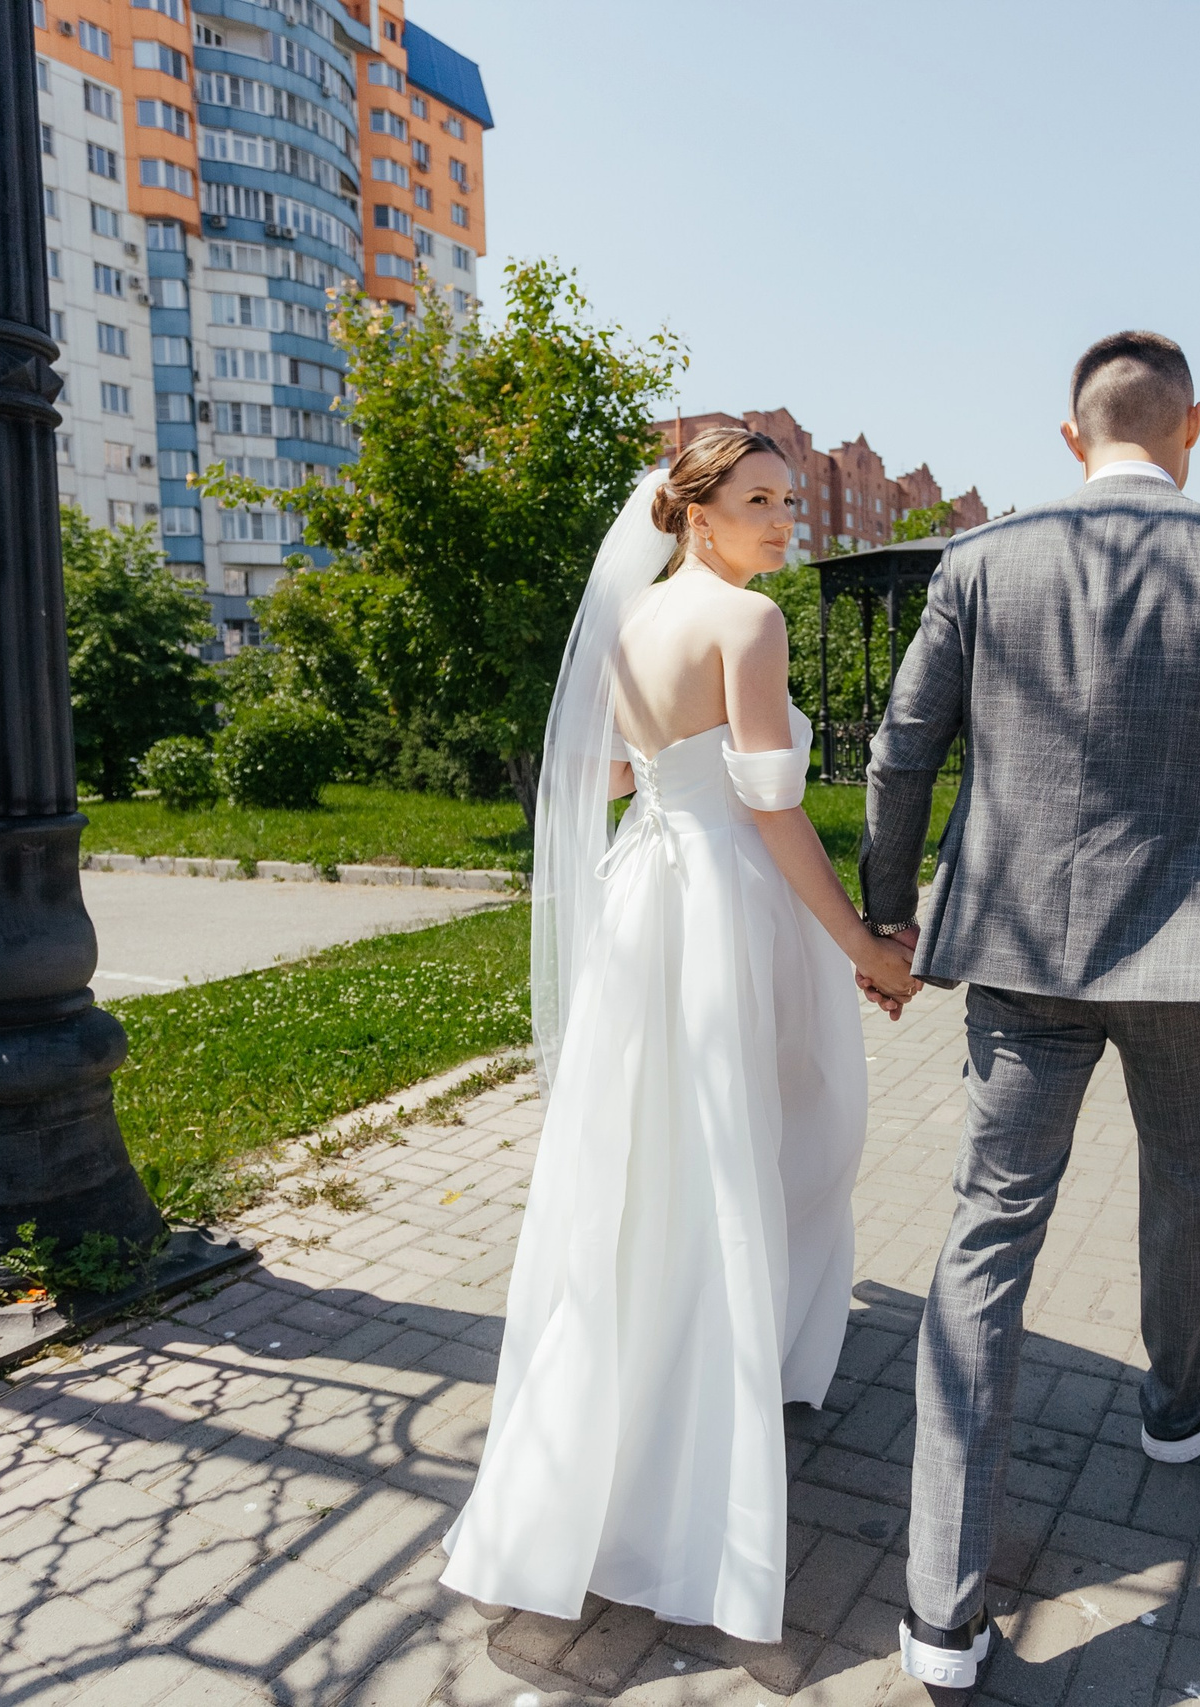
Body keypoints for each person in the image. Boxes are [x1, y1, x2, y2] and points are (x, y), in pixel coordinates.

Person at [859, 332, 1200, 1697]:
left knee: (986, 1235)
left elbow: (901, 745)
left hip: (1015, 953)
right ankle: (1178, 1404)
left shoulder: (978, 559)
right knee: (1191, 1179)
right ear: (1192, 428)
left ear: (1069, 436)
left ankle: (940, 1608)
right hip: (1184, 953)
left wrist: (886, 918)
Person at [439, 428, 921, 1643]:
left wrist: (666, 773)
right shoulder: (745, 625)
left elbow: (602, 777)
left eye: (788, 503)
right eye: (755, 502)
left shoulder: (633, 619)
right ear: (694, 513)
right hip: (719, 901)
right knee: (746, 1143)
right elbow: (773, 814)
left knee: (642, 1156)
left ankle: (619, 1433)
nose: (781, 524)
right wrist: (864, 949)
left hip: (647, 897)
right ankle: (701, 1434)